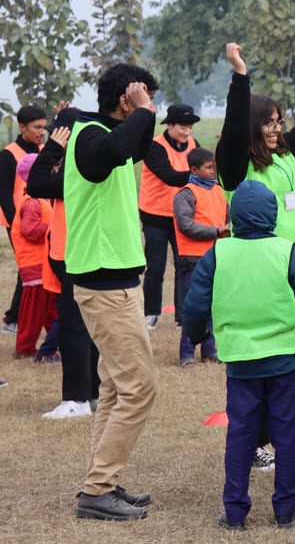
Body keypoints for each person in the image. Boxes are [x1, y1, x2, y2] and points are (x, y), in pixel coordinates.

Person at [182, 180, 295, 531]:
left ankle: (235, 512)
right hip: (286, 362)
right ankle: (286, 510)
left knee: (240, 434)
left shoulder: (217, 252)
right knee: (288, 437)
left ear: (233, 214)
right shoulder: (290, 252)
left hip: (241, 364)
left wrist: (196, 337)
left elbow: (195, 307)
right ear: (272, 213)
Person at [217, 41, 295, 467]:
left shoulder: (288, 152)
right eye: (267, 122)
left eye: (278, 121)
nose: (275, 128)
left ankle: (290, 439)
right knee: (269, 364)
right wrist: (240, 76)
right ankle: (255, 444)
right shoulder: (236, 164)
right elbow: (233, 131)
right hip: (262, 269)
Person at [66, 64, 159, 521]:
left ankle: (100, 481)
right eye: (143, 99)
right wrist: (140, 110)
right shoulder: (88, 137)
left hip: (117, 279)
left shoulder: (109, 137)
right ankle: (97, 490)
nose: (149, 108)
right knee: (139, 388)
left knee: (115, 386)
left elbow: (137, 144)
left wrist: (144, 113)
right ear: (126, 101)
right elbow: (117, 147)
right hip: (105, 282)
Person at [26, 108, 102, 419]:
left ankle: (77, 398)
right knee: (94, 327)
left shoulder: (77, 170)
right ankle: (95, 393)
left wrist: (55, 147)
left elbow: (37, 183)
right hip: (92, 253)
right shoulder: (98, 160)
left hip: (74, 255)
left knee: (73, 329)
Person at [138, 103, 201, 329]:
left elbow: (204, 165)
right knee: (155, 267)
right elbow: (170, 176)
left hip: (182, 216)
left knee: (184, 265)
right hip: (155, 215)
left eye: (190, 127)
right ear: (170, 125)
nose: (187, 132)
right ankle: (151, 313)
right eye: (183, 127)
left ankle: (183, 317)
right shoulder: (154, 146)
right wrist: (199, 176)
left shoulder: (194, 145)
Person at [173, 147, 229, 369]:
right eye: (208, 167)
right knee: (194, 307)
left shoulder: (218, 190)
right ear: (194, 169)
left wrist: (223, 231)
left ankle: (209, 351)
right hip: (194, 259)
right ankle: (187, 354)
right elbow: (185, 226)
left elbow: (227, 216)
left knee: (214, 306)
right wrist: (216, 231)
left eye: (214, 166)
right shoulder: (185, 194)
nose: (213, 170)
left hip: (217, 255)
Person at [1, 105, 47, 334]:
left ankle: (22, 318)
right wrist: (16, 225)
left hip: (41, 220)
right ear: (22, 127)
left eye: (44, 127)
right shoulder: (9, 154)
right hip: (19, 223)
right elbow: (4, 193)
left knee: (36, 270)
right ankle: (13, 320)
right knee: (28, 270)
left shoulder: (45, 150)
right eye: (37, 127)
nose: (42, 132)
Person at [10, 153, 59, 360]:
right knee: (33, 310)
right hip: (35, 263)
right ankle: (24, 346)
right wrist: (54, 227)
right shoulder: (32, 202)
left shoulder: (36, 198)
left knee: (49, 308)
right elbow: (30, 231)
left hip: (42, 263)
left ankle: (55, 341)